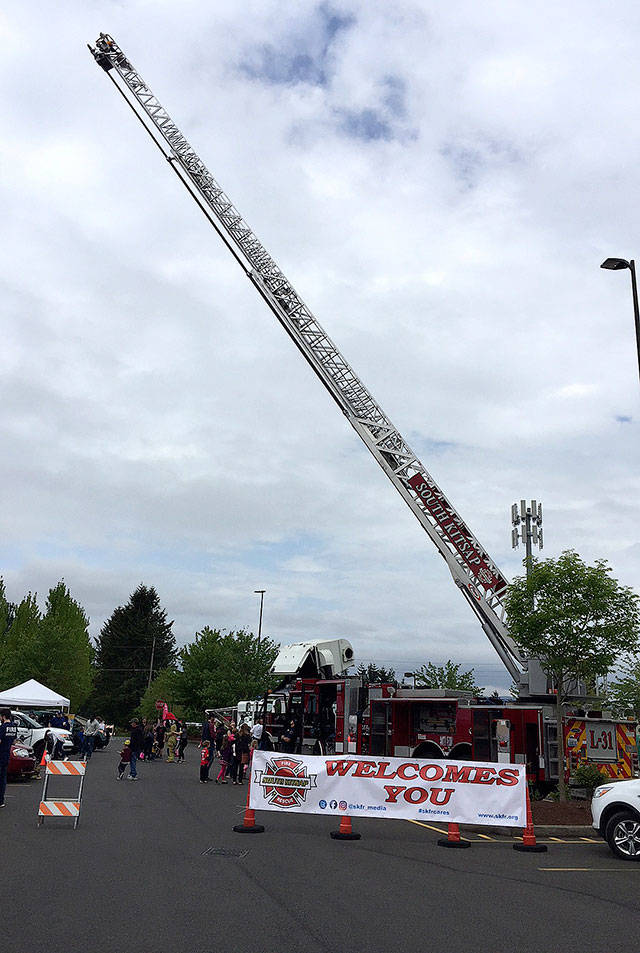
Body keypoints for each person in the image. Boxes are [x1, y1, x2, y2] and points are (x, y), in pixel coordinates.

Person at [0, 709, 18, 808]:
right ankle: (1, 800)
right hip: (7, 755)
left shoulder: (2, 727)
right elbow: (14, 742)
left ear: (3, 716)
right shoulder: (13, 727)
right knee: (3, 779)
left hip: (0, 754)